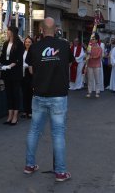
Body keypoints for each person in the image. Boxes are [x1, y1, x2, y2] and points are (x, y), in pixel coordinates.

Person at [24, 17, 73, 182]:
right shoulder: (65, 46)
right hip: (59, 96)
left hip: (39, 95)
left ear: (41, 30)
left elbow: (30, 70)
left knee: (34, 131)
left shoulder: (35, 47)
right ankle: (60, 172)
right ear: (56, 29)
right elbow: (68, 64)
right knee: (58, 134)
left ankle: (29, 165)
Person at [0, 25, 24, 125]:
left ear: (13, 32)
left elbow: (19, 58)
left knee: (15, 93)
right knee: (8, 94)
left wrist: (12, 64)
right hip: (6, 72)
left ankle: (15, 116)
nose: (7, 32)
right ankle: (9, 115)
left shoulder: (19, 44)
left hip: (15, 72)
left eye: (8, 30)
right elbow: (3, 56)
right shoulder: (5, 43)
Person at [85, 33, 103, 98]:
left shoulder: (99, 48)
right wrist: (87, 54)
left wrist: (90, 57)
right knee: (90, 79)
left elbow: (98, 56)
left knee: (97, 79)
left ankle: (97, 92)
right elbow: (86, 55)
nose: (92, 40)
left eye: (94, 39)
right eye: (92, 39)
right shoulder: (89, 47)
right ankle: (89, 92)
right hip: (90, 65)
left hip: (97, 65)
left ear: (97, 40)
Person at [21, 36, 34, 118]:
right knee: (24, 92)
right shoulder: (22, 51)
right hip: (23, 74)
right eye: (26, 42)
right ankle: (25, 110)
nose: (27, 43)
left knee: (30, 93)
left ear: (32, 43)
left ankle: (30, 111)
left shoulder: (33, 52)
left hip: (30, 73)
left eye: (29, 42)